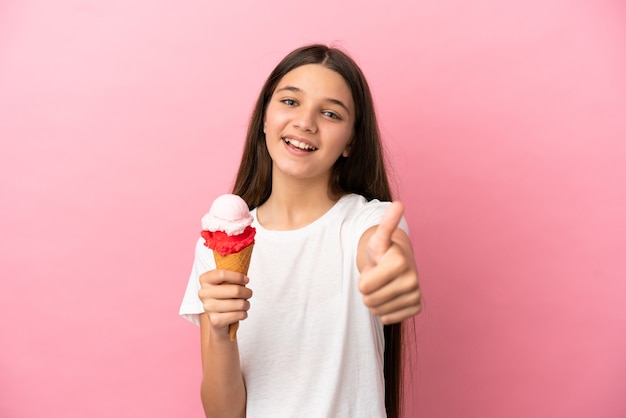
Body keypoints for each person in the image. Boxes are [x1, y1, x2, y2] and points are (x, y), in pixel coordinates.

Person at [179, 44, 422, 418]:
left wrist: (389, 265)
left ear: (351, 142)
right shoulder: (215, 244)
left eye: (330, 113)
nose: (306, 122)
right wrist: (219, 333)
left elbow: (382, 247)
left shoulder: (367, 221)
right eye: (290, 102)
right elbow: (223, 414)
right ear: (264, 117)